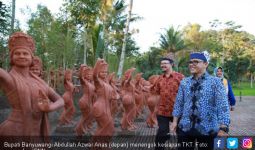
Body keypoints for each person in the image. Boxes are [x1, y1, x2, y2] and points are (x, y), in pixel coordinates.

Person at [0, 32, 64, 140]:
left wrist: (49, 107)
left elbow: (60, 100)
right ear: (12, 57)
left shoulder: (40, 82)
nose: (21, 56)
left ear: (31, 58)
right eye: (17, 53)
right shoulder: (9, 78)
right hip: (14, 131)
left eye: (25, 53)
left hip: (37, 131)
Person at [170, 51, 230, 150]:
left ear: (205, 64)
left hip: (208, 129)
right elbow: (179, 103)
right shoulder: (184, 82)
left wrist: (223, 127)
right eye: (190, 62)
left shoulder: (215, 82)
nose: (192, 64)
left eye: (196, 62)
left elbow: (222, 105)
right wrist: (175, 121)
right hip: (185, 128)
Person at [151, 57, 184, 150]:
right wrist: (154, 110)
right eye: (161, 63)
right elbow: (157, 93)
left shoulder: (180, 77)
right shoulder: (159, 79)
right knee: (162, 132)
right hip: (163, 111)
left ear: (171, 64)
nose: (163, 65)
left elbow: (186, 93)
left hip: (178, 111)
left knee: (181, 134)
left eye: (165, 63)